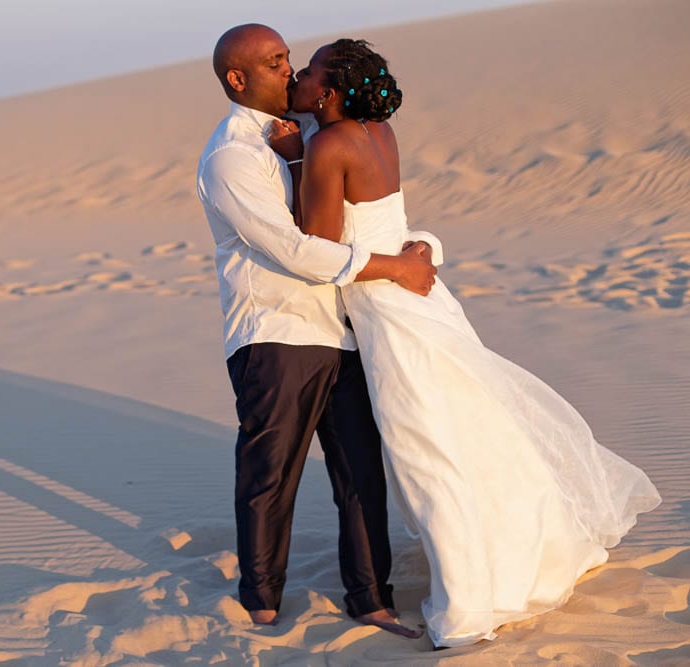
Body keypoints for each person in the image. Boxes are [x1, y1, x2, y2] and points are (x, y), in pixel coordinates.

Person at [268, 38, 662, 648]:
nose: (297, 75)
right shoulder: (378, 132)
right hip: (427, 303)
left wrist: (294, 162)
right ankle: (529, 553)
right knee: (473, 432)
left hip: (387, 314)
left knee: (429, 453)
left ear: (329, 90)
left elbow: (321, 251)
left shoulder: (327, 145)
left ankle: (472, 599)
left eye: (310, 71)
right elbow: (387, 223)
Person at [197, 24, 443, 636]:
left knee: (362, 472)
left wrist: (414, 248)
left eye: (290, 61)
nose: (290, 71)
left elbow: (361, 207)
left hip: (345, 330)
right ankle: (261, 600)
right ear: (238, 79)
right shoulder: (231, 157)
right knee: (270, 474)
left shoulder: (308, 131)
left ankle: (371, 599)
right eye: (277, 62)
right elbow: (295, 250)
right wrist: (396, 268)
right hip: (276, 333)